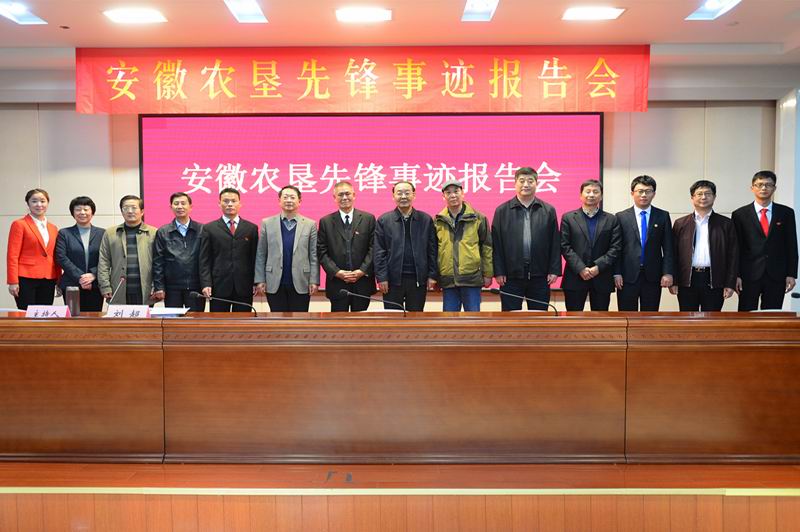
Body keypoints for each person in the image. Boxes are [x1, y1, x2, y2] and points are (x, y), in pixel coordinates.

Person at [492, 167, 560, 311]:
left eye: (530, 181)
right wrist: (498, 271)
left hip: (540, 275)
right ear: (515, 183)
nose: (526, 184)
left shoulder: (548, 210)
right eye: (521, 181)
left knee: (539, 317)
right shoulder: (502, 211)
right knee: (510, 318)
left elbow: (555, 242)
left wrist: (554, 270)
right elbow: (496, 244)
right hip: (510, 276)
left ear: (537, 183)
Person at [732, 170, 798, 311]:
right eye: (760, 184)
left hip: (777, 274)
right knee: (746, 315)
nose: (764, 188)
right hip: (748, 274)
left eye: (768, 185)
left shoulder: (786, 213)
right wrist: (736, 275)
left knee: (772, 316)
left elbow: (791, 245)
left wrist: (791, 274)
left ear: (774, 188)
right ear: (752, 188)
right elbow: (736, 248)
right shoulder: (739, 214)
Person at [669, 180, 739, 311]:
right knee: (688, 319)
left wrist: (730, 283)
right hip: (687, 280)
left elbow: (733, 255)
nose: (703, 197)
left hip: (715, 279)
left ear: (714, 197)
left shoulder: (726, 224)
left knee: (712, 320)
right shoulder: (680, 223)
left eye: (708, 193)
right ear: (692, 197)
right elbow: (673, 254)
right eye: (699, 194)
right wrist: (674, 281)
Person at [373, 181, 437, 311]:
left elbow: (432, 250)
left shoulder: (425, 220)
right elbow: (379, 252)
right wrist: (382, 277)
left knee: (416, 317)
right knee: (393, 317)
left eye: (407, 193)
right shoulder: (384, 220)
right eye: (399, 193)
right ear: (393, 196)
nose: (403, 196)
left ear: (414, 195)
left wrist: (432, 275)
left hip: (418, 280)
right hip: (392, 280)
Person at [614, 175, 674, 311]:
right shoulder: (621, 217)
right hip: (627, 276)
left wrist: (668, 272)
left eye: (648, 191)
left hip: (653, 276)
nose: (644, 195)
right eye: (640, 191)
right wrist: (616, 273)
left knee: (650, 316)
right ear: (632, 193)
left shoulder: (662, 215)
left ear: (654, 194)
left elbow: (668, 247)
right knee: (627, 315)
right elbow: (616, 248)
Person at [560, 179, 621, 311]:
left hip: (602, 276)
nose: (591, 195)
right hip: (575, 276)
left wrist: (598, 267)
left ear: (601, 196)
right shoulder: (568, 218)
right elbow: (565, 246)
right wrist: (581, 268)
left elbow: (615, 248)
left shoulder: (611, 219)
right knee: (573, 318)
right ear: (580, 195)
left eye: (595, 192)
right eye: (588, 191)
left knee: (600, 319)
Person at [255, 185, 319, 312]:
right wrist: (260, 279)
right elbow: (261, 253)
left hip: (301, 281)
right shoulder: (267, 223)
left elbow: (314, 255)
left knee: (300, 320)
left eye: (292, 197)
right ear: (279, 201)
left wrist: (314, 280)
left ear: (299, 201)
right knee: (277, 319)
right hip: (274, 281)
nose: (289, 200)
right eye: (285, 197)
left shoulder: (310, 224)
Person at [433, 179, 492, 311]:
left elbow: (487, 247)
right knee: (449, 320)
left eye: (456, 191)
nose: (453, 195)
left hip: (471, 278)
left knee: (473, 319)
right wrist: (435, 276)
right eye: (448, 193)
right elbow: (434, 250)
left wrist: (488, 273)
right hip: (448, 279)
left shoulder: (478, 218)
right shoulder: (438, 221)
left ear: (463, 193)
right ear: (443, 197)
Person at [317, 181, 376, 312]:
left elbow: (374, 248)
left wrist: (362, 271)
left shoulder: (368, 219)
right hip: (337, 284)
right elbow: (321, 251)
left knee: (361, 322)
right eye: (340, 195)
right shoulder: (326, 221)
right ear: (335, 198)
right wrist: (336, 272)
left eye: (347, 194)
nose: (344, 197)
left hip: (362, 283)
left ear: (354, 195)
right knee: (338, 322)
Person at [199, 188, 259, 312]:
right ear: (219, 203)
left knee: (243, 321)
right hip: (218, 286)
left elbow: (255, 258)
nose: (230, 204)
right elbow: (204, 259)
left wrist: (256, 282)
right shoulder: (209, 228)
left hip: (244, 286)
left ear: (240, 204)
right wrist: (206, 283)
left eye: (233, 201)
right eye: (226, 201)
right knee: (219, 322)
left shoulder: (251, 228)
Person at [98, 195, 158, 305]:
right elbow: (103, 261)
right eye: (126, 208)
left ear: (142, 211)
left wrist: (158, 286)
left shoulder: (154, 233)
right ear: (122, 211)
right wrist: (105, 286)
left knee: (144, 317)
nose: (130, 211)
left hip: (146, 290)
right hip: (118, 288)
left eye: (134, 208)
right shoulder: (110, 233)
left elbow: (159, 263)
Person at [6, 188, 60, 309]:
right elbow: (12, 255)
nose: (39, 204)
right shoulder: (19, 224)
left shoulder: (53, 228)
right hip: (25, 278)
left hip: (49, 278)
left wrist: (59, 280)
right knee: (26, 314)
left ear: (48, 203)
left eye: (43, 201)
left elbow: (55, 255)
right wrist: (13, 281)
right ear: (28, 203)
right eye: (34, 201)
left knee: (45, 314)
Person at [152, 192, 205, 311]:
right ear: (171, 207)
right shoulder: (163, 232)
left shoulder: (202, 229)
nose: (180, 206)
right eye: (176, 204)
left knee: (196, 320)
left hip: (195, 287)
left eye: (183, 203)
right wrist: (159, 286)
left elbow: (206, 259)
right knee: (173, 320)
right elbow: (158, 261)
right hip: (172, 288)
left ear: (190, 206)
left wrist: (207, 284)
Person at [54, 196, 105, 311]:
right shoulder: (64, 233)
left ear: (92, 212)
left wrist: (93, 274)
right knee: (73, 318)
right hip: (71, 284)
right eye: (78, 209)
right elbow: (61, 257)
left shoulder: (102, 233)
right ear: (73, 213)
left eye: (86, 209)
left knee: (94, 318)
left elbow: (106, 258)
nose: (82, 212)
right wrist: (81, 277)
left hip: (95, 284)